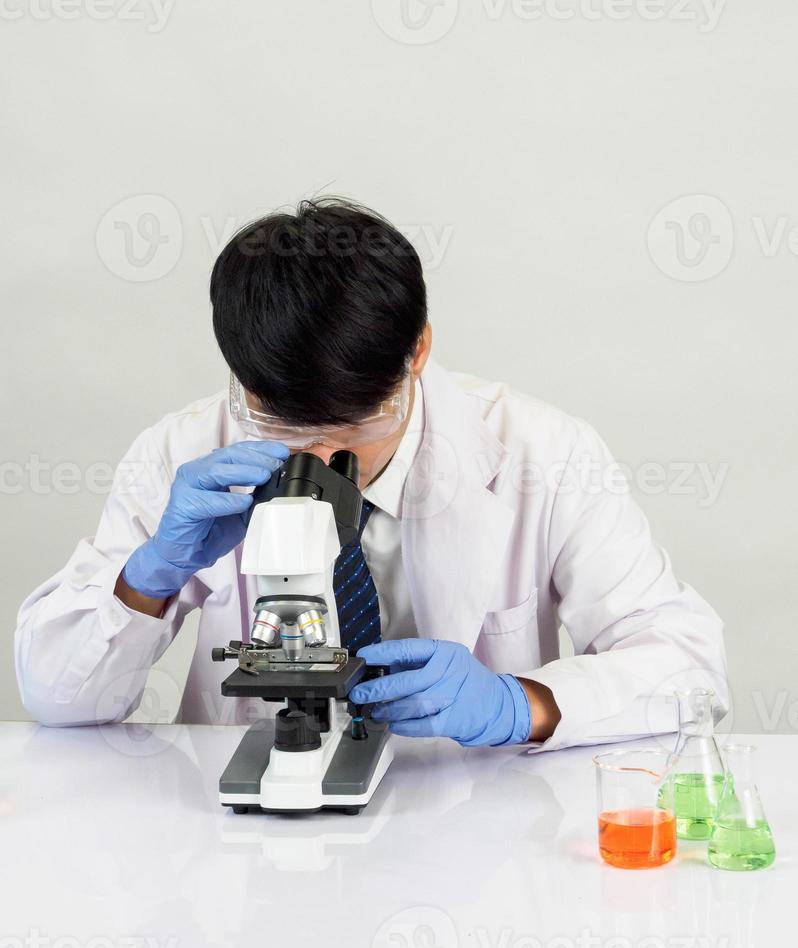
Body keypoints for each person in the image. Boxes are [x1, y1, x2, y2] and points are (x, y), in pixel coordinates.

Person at [15, 198, 727, 749]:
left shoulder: (545, 454)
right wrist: (145, 580)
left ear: (417, 349)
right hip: (240, 836)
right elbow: (56, 699)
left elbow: (688, 666)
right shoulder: (182, 451)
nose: (320, 461)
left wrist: (521, 703)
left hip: (475, 830)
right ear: (243, 379)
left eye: (351, 427)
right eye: (286, 427)